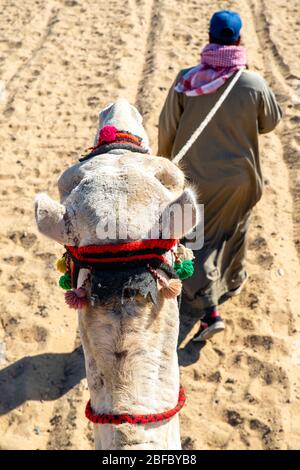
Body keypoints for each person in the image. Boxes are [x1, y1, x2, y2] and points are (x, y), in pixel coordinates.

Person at [158, 10, 282, 342]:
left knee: (199, 239)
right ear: (239, 40)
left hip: (198, 179)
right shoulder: (252, 82)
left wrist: (166, 168)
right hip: (241, 179)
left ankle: (208, 309)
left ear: (209, 38)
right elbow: (271, 122)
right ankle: (234, 279)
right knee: (236, 226)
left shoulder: (187, 80)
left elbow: (167, 127)